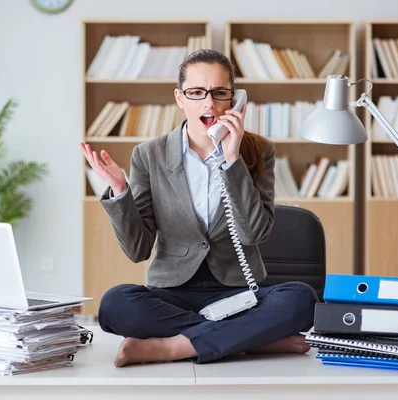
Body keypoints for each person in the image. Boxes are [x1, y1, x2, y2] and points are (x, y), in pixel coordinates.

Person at [80, 49, 318, 368]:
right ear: (180, 98)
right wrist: (120, 191)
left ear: (234, 100)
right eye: (196, 93)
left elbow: (253, 233)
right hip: (173, 293)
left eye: (220, 93)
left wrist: (233, 160)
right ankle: (254, 341)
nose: (209, 103)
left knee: (301, 300)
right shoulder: (148, 155)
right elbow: (138, 250)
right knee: (115, 304)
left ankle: (171, 347)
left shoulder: (258, 151)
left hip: (238, 292)